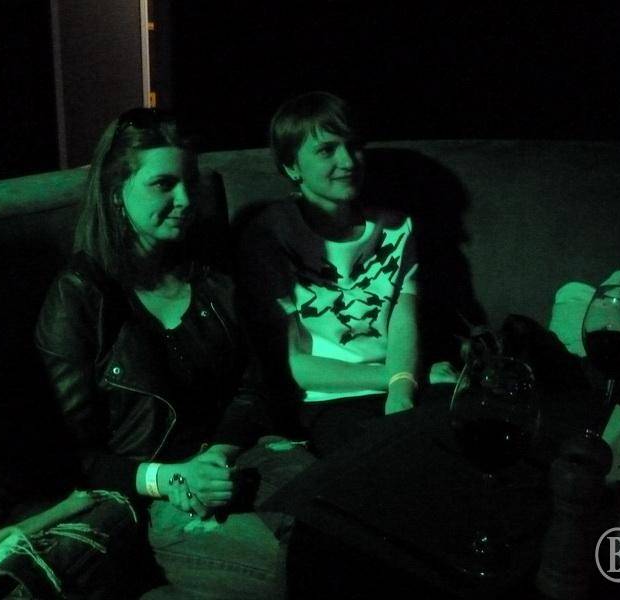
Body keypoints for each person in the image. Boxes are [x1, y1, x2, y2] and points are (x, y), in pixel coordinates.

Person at [35, 108, 299, 599]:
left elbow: (253, 388)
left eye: (190, 182)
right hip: (152, 490)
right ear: (117, 193)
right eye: (163, 184)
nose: (185, 200)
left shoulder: (210, 273)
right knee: (289, 572)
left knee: (348, 523)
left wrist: (217, 454)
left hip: (235, 458)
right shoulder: (80, 295)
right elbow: (67, 452)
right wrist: (168, 476)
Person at [235, 92, 455, 457]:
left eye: (354, 146)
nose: (348, 161)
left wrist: (402, 390)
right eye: (327, 150)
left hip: (406, 380)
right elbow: (291, 364)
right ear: (292, 167)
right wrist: (399, 377)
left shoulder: (396, 227)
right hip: (328, 397)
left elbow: (403, 319)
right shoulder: (269, 235)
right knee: (382, 458)